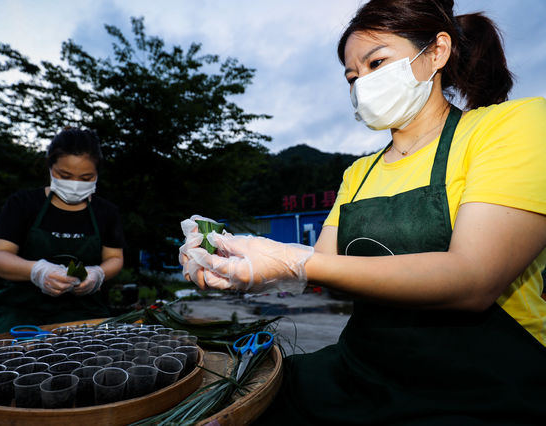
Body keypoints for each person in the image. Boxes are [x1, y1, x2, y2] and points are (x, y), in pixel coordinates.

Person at [179, 0, 546, 423]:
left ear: (436, 52)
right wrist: (239, 263)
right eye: (352, 76)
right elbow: (327, 270)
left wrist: (294, 260)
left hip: (483, 387)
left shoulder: (510, 127)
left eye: (377, 63)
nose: (362, 84)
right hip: (363, 372)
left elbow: (474, 278)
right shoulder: (360, 172)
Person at [0, 128, 126, 338]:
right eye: (65, 175)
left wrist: (97, 274)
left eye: (86, 177)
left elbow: (114, 258)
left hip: (83, 311)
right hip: (19, 309)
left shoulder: (106, 212)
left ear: (97, 173)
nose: (75, 185)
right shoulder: (23, 204)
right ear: (50, 166)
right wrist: (37, 270)